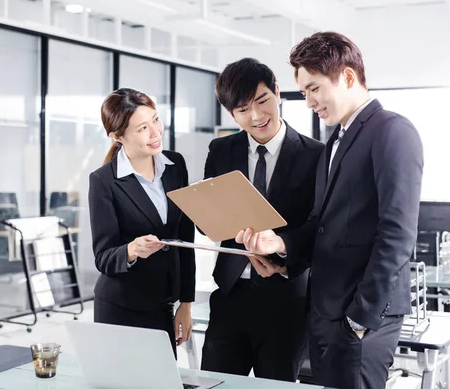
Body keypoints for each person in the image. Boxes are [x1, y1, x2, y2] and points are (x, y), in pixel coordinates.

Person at [236, 32, 424, 389]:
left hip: (360, 318)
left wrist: (360, 318)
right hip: (325, 313)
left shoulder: (392, 131)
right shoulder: (334, 142)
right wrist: (278, 246)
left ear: (348, 78)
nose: (308, 101)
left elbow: (397, 233)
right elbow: (319, 223)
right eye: (304, 92)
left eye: (314, 88)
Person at [200, 58, 324, 381]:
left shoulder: (315, 155)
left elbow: (317, 226)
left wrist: (282, 249)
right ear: (231, 114)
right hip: (230, 297)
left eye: (262, 101)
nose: (256, 117)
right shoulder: (220, 151)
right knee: (214, 384)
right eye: (242, 110)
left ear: (278, 93)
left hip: (285, 301)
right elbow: (207, 223)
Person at [88, 87, 195, 357]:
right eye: (142, 128)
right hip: (120, 306)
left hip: (163, 303)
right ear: (117, 136)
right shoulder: (103, 181)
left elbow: (185, 237)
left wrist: (186, 303)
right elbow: (103, 257)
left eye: (156, 120)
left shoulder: (175, 166)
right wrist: (132, 250)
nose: (156, 132)